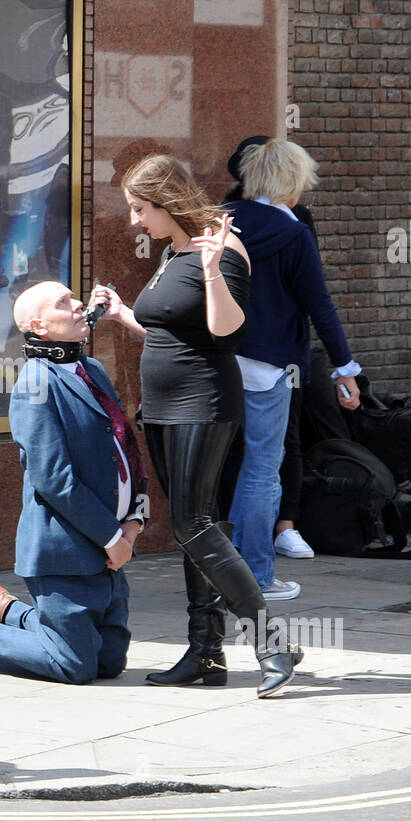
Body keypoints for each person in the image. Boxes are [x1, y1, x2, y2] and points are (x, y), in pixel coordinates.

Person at [95, 154, 303, 696]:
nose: (135, 220)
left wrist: (212, 270)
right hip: (163, 407)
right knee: (193, 526)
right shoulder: (175, 249)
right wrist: (121, 314)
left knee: (195, 525)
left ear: (167, 202)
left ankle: (271, 641)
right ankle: (206, 653)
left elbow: (227, 331)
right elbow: (169, 329)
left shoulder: (221, 248)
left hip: (203, 402)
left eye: (140, 209)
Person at [0, 281, 146, 684]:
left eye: (74, 298)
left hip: (110, 547)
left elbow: (126, 448)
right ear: (39, 326)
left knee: (109, 662)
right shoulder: (35, 382)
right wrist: (111, 538)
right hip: (65, 551)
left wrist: (133, 523)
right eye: (63, 303)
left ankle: (6, 609)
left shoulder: (92, 370)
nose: (78, 304)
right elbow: (53, 479)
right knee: (74, 665)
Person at [222, 139, 361, 600]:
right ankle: (256, 577)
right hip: (269, 364)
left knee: (214, 465)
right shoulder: (294, 232)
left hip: (215, 360)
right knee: (262, 468)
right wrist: (344, 368)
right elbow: (319, 304)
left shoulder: (219, 221)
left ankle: (221, 573)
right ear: (291, 181)